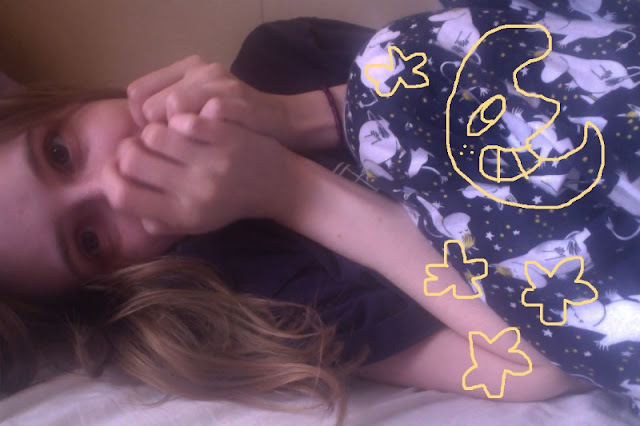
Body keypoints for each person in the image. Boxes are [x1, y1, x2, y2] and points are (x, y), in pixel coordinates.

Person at [0, 0, 625, 422]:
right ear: (110, 281)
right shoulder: (260, 294)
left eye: (60, 152)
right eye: (89, 239)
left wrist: (294, 117)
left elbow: (523, 62)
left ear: (71, 103)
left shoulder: (282, 55)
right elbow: (541, 366)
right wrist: (291, 190)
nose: (115, 183)